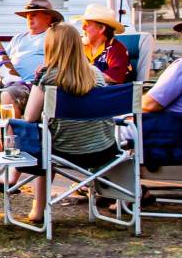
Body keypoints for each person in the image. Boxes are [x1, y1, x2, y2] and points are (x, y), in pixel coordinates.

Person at [19, 22, 121, 225]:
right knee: (50, 140)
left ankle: (38, 208)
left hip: (63, 150)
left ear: (50, 47)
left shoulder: (48, 77)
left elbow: (29, 117)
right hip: (103, 150)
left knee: (42, 139)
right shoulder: (97, 75)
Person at [0, 0, 62, 114]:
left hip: (32, 85)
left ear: (48, 17)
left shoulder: (53, 37)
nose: (29, 18)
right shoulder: (18, 38)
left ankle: (11, 132)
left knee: (7, 94)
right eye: (28, 15)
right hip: (8, 81)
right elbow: (3, 57)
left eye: (34, 14)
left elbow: (60, 62)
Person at [77, 4, 132, 85]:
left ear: (102, 28)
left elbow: (114, 77)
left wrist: (78, 77)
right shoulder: (80, 47)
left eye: (86, 24)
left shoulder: (116, 49)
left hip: (107, 96)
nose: (83, 28)